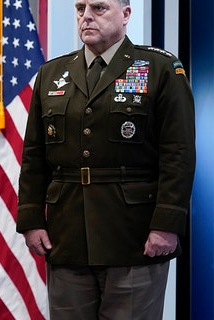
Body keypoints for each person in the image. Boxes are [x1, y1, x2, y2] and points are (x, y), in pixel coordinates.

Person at [16, 1, 196, 319]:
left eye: (98, 8)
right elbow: (34, 155)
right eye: (81, 8)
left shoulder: (159, 68)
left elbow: (177, 154)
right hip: (67, 233)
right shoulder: (52, 73)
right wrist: (31, 219)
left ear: (126, 15)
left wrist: (167, 224)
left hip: (134, 234)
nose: (86, 16)